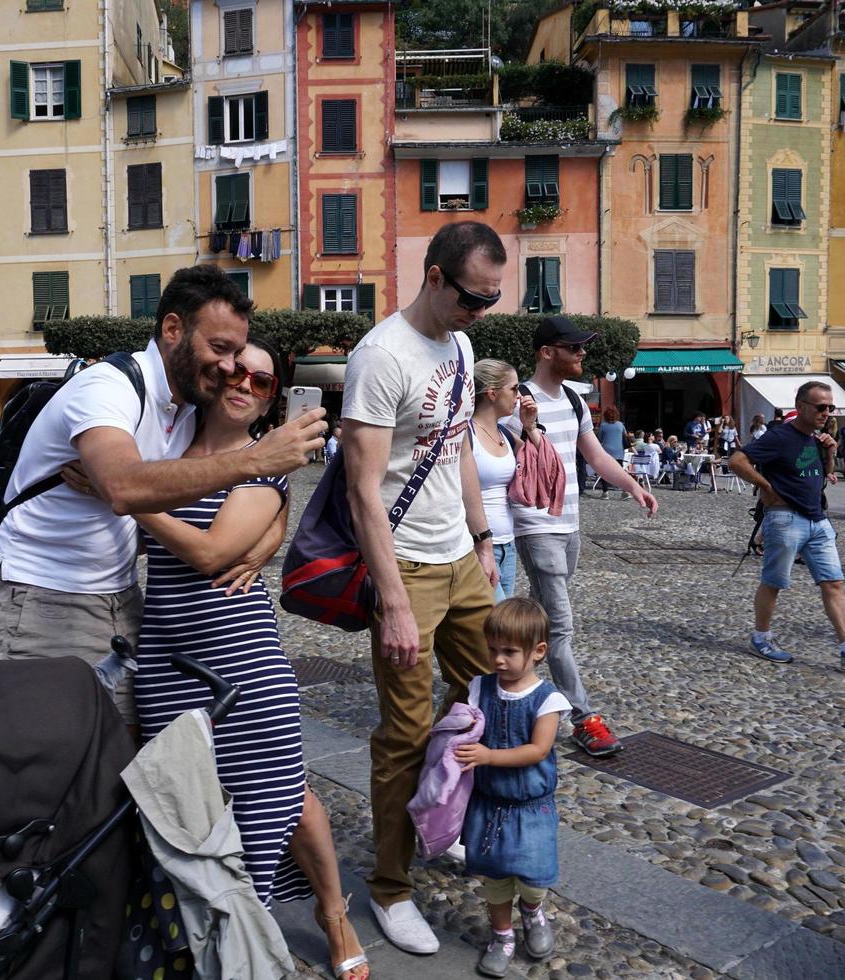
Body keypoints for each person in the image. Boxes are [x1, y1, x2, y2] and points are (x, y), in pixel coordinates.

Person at [0, 264, 324, 728]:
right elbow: (124, 487)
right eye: (220, 348)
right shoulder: (107, 388)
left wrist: (273, 530)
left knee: (128, 755)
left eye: (236, 354)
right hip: (48, 593)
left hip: (123, 598)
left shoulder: (187, 406)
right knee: (51, 753)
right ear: (173, 328)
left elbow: (222, 472)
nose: (231, 368)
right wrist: (258, 462)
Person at [132, 338, 368, 980]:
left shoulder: (263, 465)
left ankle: (296, 929)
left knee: (272, 805)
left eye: (262, 381)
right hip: (165, 660)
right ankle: (204, 937)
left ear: (272, 398)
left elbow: (210, 554)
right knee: (183, 811)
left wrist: (124, 496)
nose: (244, 382)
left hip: (244, 666)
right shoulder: (162, 444)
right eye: (234, 368)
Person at [341, 221, 501, 954]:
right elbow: (362, 491)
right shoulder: (380, 357)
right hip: (403, 565)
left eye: (492, 300)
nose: (481, 311)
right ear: (435, 277)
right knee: (404, 736)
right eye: (473, 296)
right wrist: (394, 602)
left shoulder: (463, 346)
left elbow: (458, 447)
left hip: (460, 561)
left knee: (487, 701)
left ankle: (445, 815)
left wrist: (481, 538)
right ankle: (390, 888)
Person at [507, 316, 657, 760]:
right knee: (561, 627)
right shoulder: (519, 403)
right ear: (546, 352)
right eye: (573, 348)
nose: (582, 354)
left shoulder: (574, 400)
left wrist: (632, 485)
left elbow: (594, 455)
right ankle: (582, 717)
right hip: (536, 526)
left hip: (571, 524)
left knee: (540, 618)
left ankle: (507, 690)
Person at [727, 381, 845, 672]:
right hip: (785, 518)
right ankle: (761, 637)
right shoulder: (780, 437)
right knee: (774, 582)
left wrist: (829, 452)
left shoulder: (815, 439)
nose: (826, 413)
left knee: (834, 582)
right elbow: (737, 460)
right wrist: (765, 485)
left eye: (830, 408)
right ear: (801, 406)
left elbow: (824, 474)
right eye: (820, 407)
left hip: (818, 519)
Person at [455, 598, 569, 978]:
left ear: (538, 652)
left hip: (530, 808)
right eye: (492, 650)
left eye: (509, 652)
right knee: (496, 880)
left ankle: (533, 911)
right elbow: (464, 724)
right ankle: (502, 935)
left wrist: (488, 757)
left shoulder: (547, 699)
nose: (498, 660)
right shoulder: (480, 687)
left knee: (534, 877)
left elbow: (537, 750)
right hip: (489, 806)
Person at [471, 359, 541, 603]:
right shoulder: (466, 434)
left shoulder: (505, 435)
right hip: (475, 546)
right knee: (491, 622)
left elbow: (542, 465)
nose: (519, 395)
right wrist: (482, 546)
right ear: (492, 393)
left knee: (499, 630)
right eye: (514, 388)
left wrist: (530, 426)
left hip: (507, 546)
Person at [595, 406, 626, 497]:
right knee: (620, 472)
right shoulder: (620, 425)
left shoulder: (603, 425)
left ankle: (605, 492)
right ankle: (624, 491)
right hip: (619, 452)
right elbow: (625, 436)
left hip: (606, 451)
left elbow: (599, 438)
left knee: (604, 472)